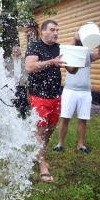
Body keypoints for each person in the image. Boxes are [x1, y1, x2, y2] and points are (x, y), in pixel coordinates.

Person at [25, 20, 78, 183]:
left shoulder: (60, 48)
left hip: (55, 95)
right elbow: (29, 67)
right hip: (38, 95)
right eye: (53, 30)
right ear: (43, 31)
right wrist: (51, 62)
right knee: (40, 131)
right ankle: (43, 165)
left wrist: (77, 58)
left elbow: (72, 70)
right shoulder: (35, 46)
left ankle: (38, 153)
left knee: (50, 129)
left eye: (57, 30)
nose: (56, 33)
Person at [53, 32, 100, 154]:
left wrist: (99, 40)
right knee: (65, 118)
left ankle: (80, 145)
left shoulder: (87, 54)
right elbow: (62, 54)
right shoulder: (70, 52)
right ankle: (59, 143)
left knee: (83, 119)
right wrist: (73, 38)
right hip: (70, 90)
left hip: (85, 92)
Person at [4, 45, 29, 119]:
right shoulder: (7, 60)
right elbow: (2, 68)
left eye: (17, 49)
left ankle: (23, 115)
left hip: (22, 83)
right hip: (12, 84)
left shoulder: (24, 60)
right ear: (12, 51)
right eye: (14, 50)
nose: (15, 51)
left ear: (20, 51)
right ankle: (14, 116)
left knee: (23, 99)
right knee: (14, 100)